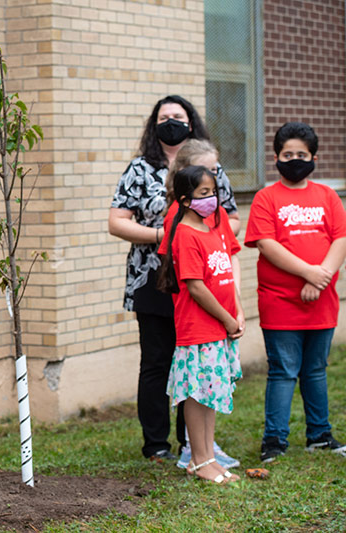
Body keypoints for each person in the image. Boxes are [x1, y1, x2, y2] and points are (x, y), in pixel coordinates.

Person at [108, 95, 239, 463]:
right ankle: (156, 445)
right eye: (164, 117)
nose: (171, 122)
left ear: (191, 122)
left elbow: (229, 218)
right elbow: (116, 221)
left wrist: (203, 240)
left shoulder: (210, 166)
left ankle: (193, 445)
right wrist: (166, 238)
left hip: (199, 282)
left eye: (178, 116)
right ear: (155, 125)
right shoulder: (139, 169)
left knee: (195, 360)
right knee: (156, 361)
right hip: (152, 279)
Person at [244, 122, 346, 463]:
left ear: (314, 158)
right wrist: (309, 273)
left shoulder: (328, 196)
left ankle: (319, 435)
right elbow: (266, 243)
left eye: (301, 154)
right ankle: (274, 440)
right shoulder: (265, 197)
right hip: (280, 302)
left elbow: (340, 239)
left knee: (315, 369)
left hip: (323, 301)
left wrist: (321, 279)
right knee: (283, 370)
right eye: (288, 154)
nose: (294, 160)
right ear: (276, 158)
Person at [159, 139, 243, 470]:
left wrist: (238, 311)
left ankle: (208, 456)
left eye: (213, 189)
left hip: (221, 324)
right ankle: (199, 458)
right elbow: (195, 286)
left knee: (212, 392)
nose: (211, 198)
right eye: (203, 191)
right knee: (197, 392)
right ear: (184, 197)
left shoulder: (213, 225)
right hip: (200, 326)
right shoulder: (184, 231)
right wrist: (227, 318)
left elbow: (227, 266)